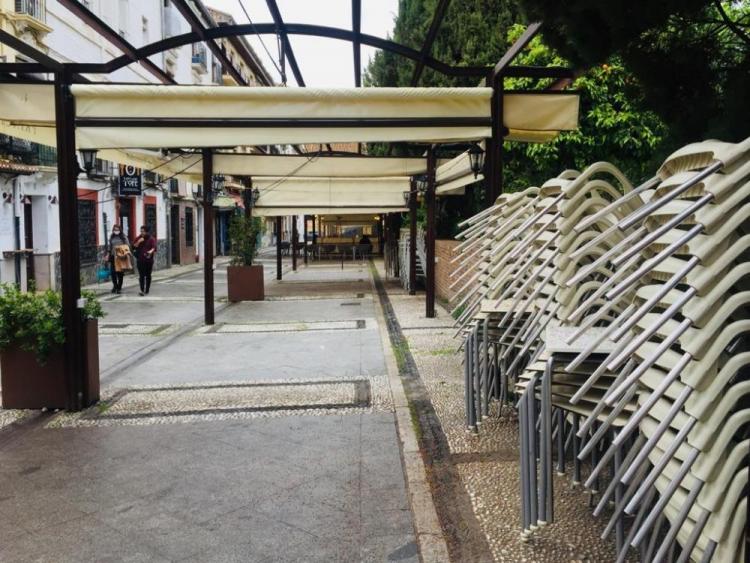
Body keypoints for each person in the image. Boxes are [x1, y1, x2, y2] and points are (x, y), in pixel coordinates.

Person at [133, 225, 156, 296]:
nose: (142, 233)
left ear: (146, 232)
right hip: (140, 260)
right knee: (141, 275)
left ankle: (147, 290)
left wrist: (150, 252)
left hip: (148, 260)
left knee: (148, 275)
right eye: (141, 231)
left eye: (143, 231)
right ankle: (142, 290)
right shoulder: (138, 238)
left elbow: (154, 248)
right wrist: (138, 242)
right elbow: (133, 247)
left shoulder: (151, 239)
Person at [106, 224, 130, 294]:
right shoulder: (112, 236)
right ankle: (115, 286)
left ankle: (119, 287)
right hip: (113, 257)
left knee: (120, 273)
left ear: (120, 230)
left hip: (121, 257)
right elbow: (109, 247)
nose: (116, 231)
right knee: (113, 273)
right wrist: (108, 254)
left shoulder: (123, 237)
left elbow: (127, 245)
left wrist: (121, 249)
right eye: (114, 230)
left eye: (117, 230)